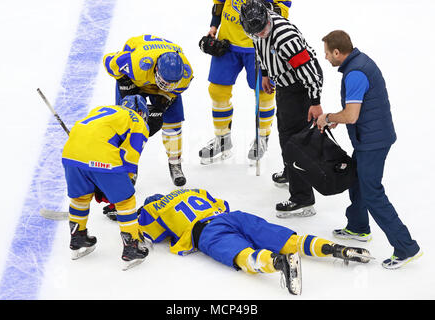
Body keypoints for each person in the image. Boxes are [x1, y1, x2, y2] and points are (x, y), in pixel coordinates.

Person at [134, 188, 373, 295]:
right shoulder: (194, 191)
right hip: (232, 216)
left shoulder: (154, 207)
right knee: (286, 238)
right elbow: (222, 204)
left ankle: (279, 263)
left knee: (242, 255)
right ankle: (335, 249)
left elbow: (155, 235)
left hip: (205, 231)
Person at [317, 30, 422, 269]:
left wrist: (329, 117)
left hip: (373, 143)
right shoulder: (359, 62)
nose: (325, 58)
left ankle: (406, 247)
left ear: (337, 52)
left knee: (372, 192)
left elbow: (352, 116)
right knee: (356, 180)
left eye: (327, 53)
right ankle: (358, 227)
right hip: (370, 138)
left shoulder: (355, 73)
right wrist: (337, 119)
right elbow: (356, 112)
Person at [240, 0, 324, 216]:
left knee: (295, 141)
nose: (260, 34)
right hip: (284, 84)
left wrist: (315, 102)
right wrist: (267, 74)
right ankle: (292, 171)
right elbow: (260, 49)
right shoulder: (257, 32)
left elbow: (310, 72)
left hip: (301, 86)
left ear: (268, 18)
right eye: (255, 33)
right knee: (285, 133)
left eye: (263, 30)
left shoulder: (285, 37)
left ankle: (303, 198)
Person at [61, 95, 150, 271]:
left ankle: (78, 238)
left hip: (70, 154)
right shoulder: (137, 120)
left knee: (80, 198)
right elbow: (129, 159)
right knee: (125, 200)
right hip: (101, 158)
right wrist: (118, 187)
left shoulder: (102, 110)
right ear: (141, 112)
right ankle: (132, 246)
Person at [198, 0, 291, 165]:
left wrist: (265, 8)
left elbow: (282, 10)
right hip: (227, 43)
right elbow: (219, 3)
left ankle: (262, 137)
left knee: (265, 91)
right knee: (217, 91)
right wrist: (214, 26)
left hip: (257, 44)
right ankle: (222, 139)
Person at [103, 34, 194, 187]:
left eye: (172, 83)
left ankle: (175, 163)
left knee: (173, 123)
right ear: (156, 68)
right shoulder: (135, 63)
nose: (166, 86)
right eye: (165, 81)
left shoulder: (186, 74)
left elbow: (172, 91)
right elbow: (108, 60)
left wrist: (162, 104)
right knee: (128, 124)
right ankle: (128, 167)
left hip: (148, 77)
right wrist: (124, 81)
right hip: (134, 80)